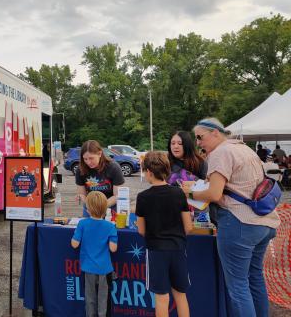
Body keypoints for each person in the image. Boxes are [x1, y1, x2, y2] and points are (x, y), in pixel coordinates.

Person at [180, 117, 280, 317]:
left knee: (238, 287)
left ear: (215, 133)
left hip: (239, 223)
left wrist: (189, 193)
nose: (198, 142)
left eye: (200, 137)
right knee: (255, 278)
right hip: (264, 221)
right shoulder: (244, 148)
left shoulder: (221, 153)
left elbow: (214, 194)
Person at [136, 151, 192, 317]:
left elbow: (141, 230)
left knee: (161, 298)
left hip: (156, 250)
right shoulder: (179, 193)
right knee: (181, 295)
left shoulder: (143, 197)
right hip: (178, 248)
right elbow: (188, 227)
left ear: (149, 172)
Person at [71, 191, 118, 317]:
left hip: (88, 268)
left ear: (88, 208)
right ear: (105, 208)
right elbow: (113, 248)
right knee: (104, 300)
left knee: (90, 298)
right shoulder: (110, 226)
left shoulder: (82, 224)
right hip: (104, 269)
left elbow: (74, 244)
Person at [75, 140, 125, 217]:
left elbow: (117, 195)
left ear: (100, 154)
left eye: (91, 158)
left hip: (110, 208)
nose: (88, 162)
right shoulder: (80, 169)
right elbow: (82, 194)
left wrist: (100, 208)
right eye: (85, 159)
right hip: (89, 208)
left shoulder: (113, 167)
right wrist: (91, 207)